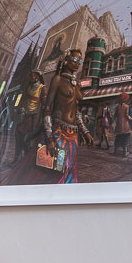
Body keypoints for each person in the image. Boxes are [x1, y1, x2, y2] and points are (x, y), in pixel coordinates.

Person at [42, 50, 85, 183]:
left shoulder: (77, 84)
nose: (77, 64)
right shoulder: (58, 79)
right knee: (58, 168)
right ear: (66, 59)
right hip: (59, 132)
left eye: (80, 61)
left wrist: (85, 131)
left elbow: (76, 110)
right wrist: (49, 138)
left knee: (71, 168)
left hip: (74, 135)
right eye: (75, 60)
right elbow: (47, 108)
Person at [114, 92, 131, 158]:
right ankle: (124, 152)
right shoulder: (127, 106)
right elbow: (127, 115)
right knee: (125, 138)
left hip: (118, 125)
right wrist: (131, 118)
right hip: (125, 125)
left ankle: (115, 151)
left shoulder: (117, 107)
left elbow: (115, 115)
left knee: (118, 138)